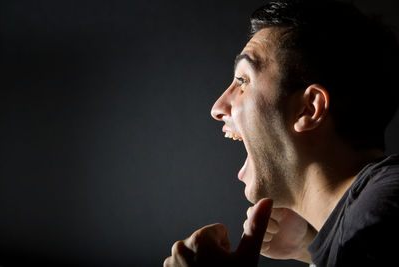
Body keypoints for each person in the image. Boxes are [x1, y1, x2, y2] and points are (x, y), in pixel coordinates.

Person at [164, 0, 399, 266]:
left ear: (308, 109)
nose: (217, 108)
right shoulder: (369, 218)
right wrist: (310, 246)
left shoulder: (381, 213)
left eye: (243, 81)